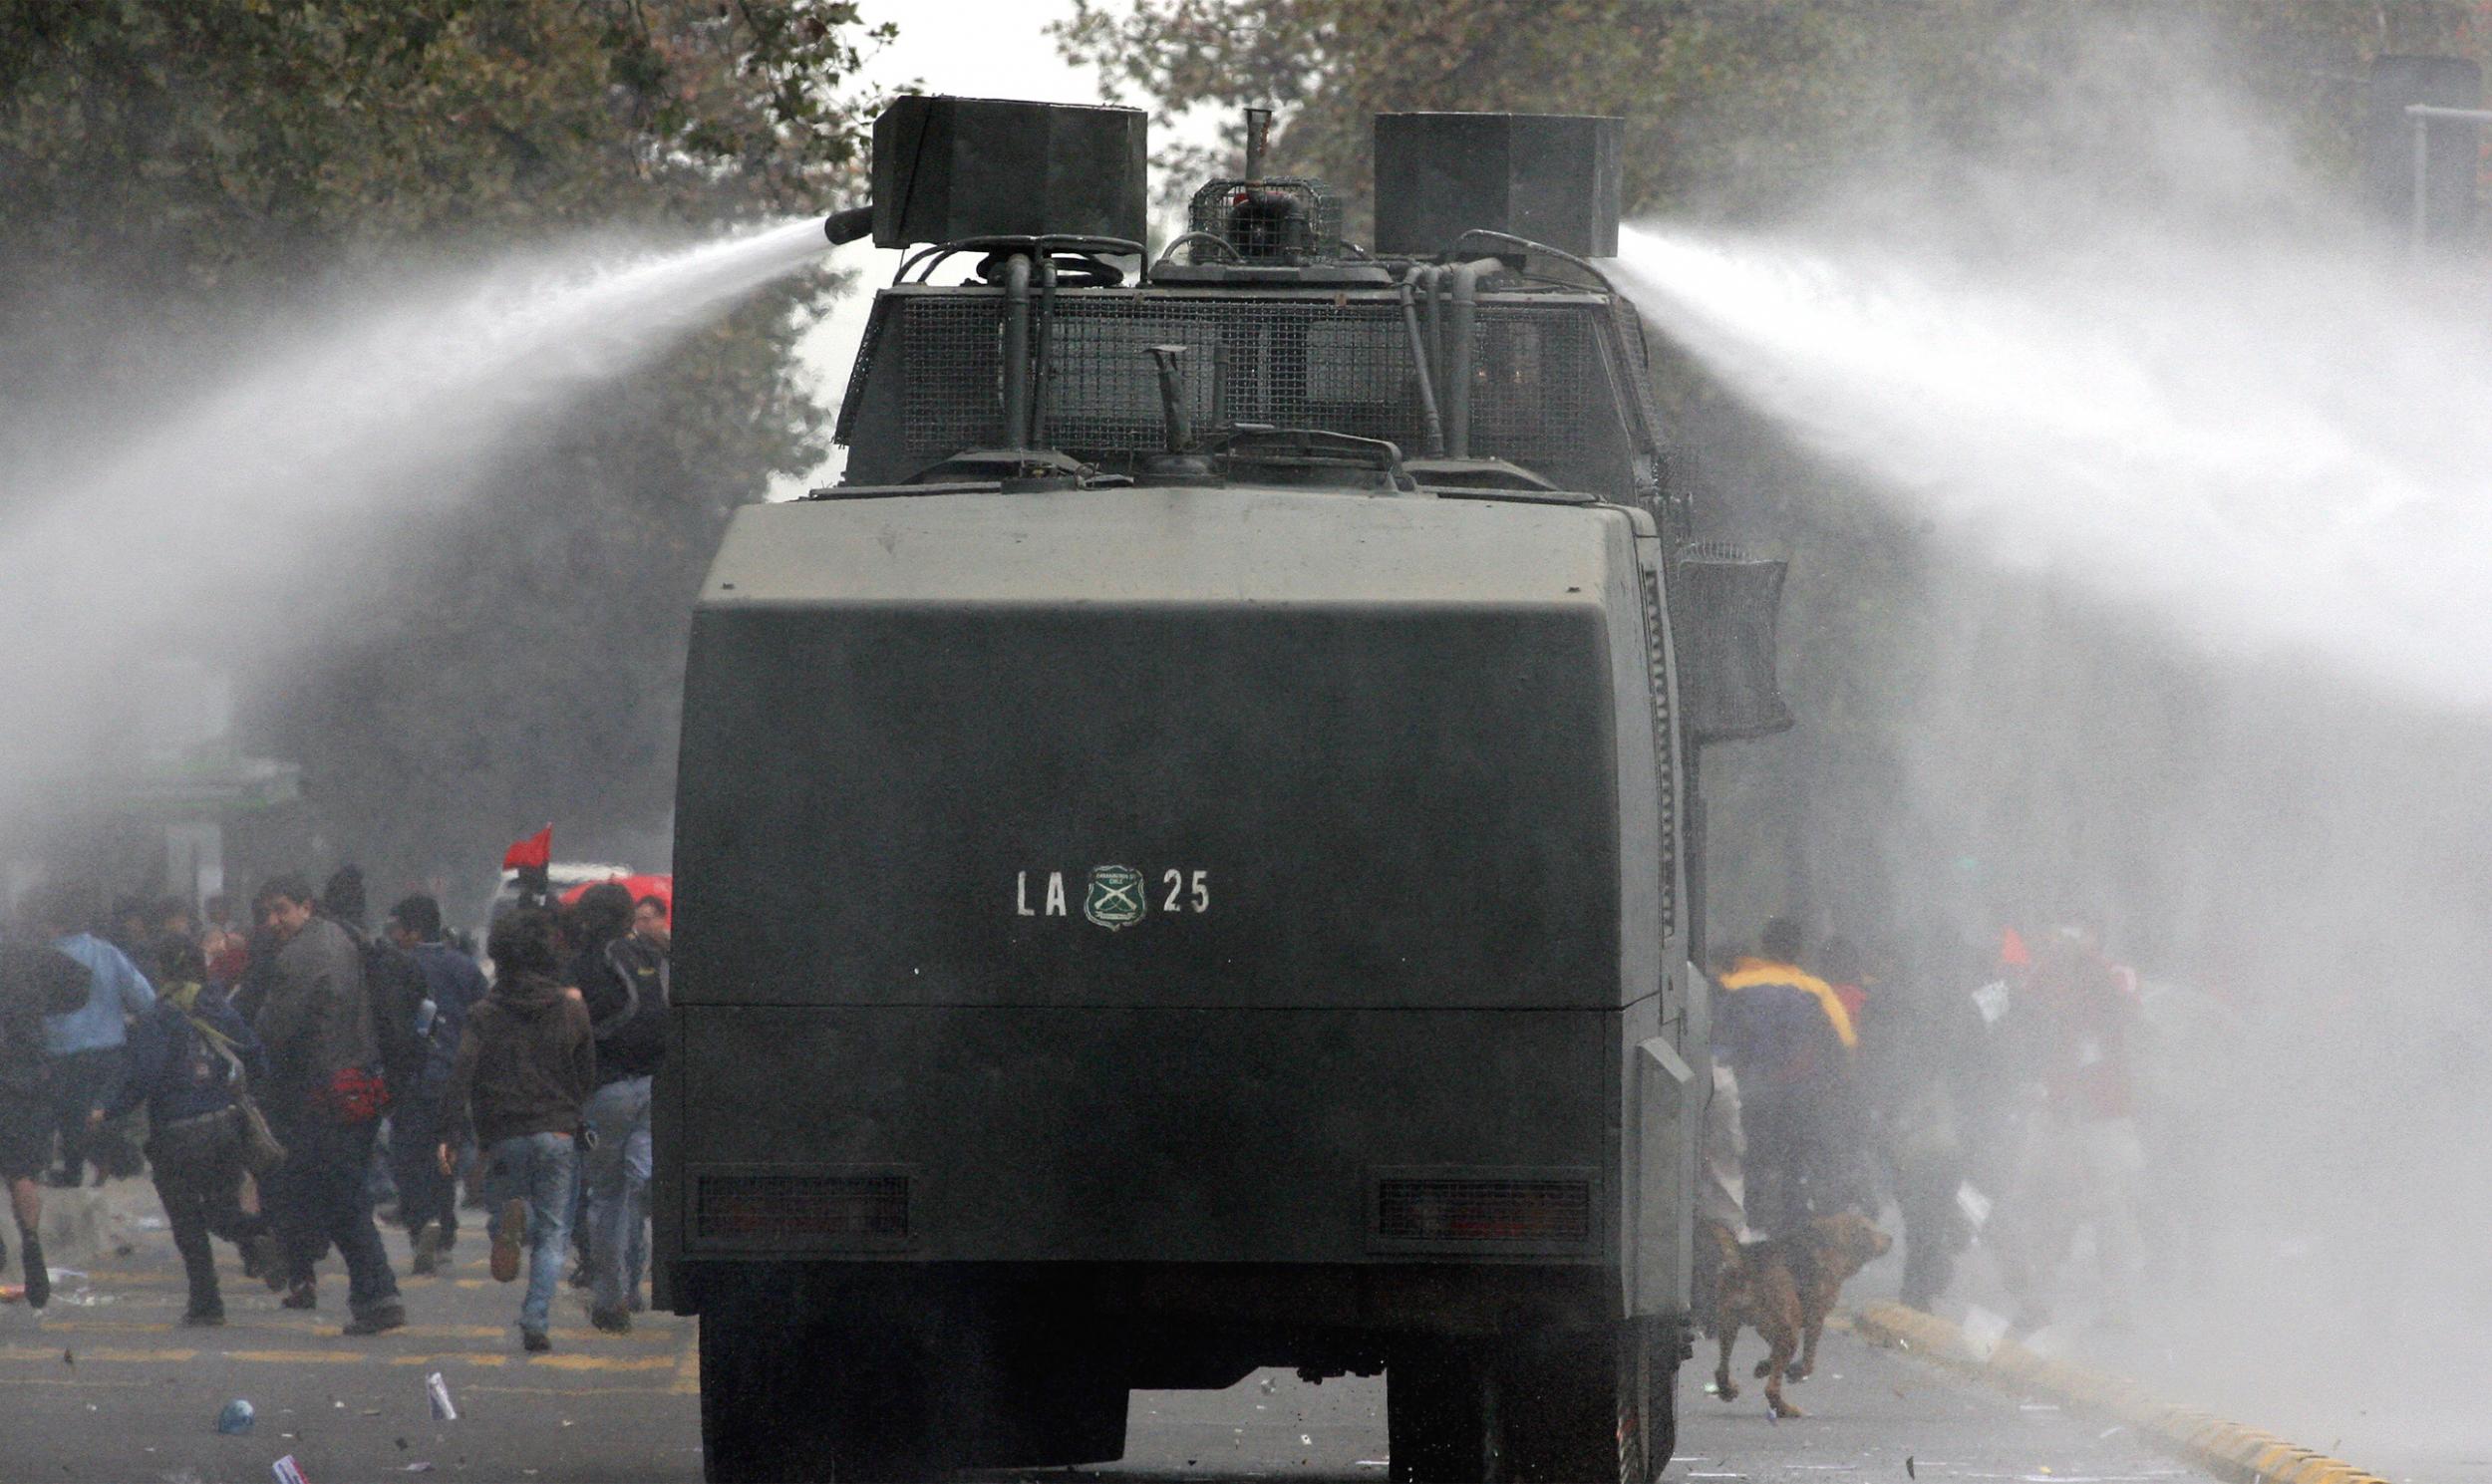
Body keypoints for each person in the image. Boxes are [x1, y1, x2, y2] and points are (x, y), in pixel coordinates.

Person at [98, 936, 282, 1325]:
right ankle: (270, 1232)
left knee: (187, 1222)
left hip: (176, 1135)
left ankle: (207, 1304)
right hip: (224, 1128)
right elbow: (254, 1054)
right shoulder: (219, 1008)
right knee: (222, 1211)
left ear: (163, 971)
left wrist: (108, 1110)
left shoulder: (159, 1016)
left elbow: (143, 1076)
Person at [252, 873, 406, 1335]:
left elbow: (272, 1029)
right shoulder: (345, 938)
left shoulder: (301, 955)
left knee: (340, 1198)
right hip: (362, 1084)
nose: (274, 921)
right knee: (340, 1192)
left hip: (326, 1094)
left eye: (282, 909)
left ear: (306, 906)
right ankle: (369, 1293)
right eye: (268, 913)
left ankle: (378, 1294)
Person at [441, 908, 595, 1351]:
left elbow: (461, 1076)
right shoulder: (571, 1009)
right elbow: (587, 1075)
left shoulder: (484, 1013)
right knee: (554, 1235)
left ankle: (513, 1221)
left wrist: (451, 1133)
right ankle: (536, 1318)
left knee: (500, 1213)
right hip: (559, 1133)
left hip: (505, 1134)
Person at [1714, 917, 1859, 1240]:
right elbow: (1845, 1044)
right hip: (1798, 1093)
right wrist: (1836, 1087)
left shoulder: (1737, 986)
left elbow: (1719, 1039)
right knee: (1793, 1162)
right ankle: (1792, 1234)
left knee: (1751, 1159)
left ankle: (1750, 1231)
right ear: (1800, 950)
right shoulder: (1818, 990)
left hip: (1748, 1091)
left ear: (1764, 947)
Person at [570, 883, 668, 1332]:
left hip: (607, 1089)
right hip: (652, 1085)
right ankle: (633, 1287)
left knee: (606, 1195)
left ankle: (610, 1301)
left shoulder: (589, 962)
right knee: (632, 1190)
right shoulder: (644, 954)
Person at [28, 881, 155, 1189]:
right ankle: (114, 1161)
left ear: (50, 923)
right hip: (109, 1052)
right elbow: (145, 999)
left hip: (60, 1053)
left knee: (70, 1115)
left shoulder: (40, 959)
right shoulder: (107, 953)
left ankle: (72, 1170)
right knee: (104, 1111)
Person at [386, 893, 486, 1275]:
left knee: (407, 1158)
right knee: (445, 1156)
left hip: (410, 1078)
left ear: (412, 930)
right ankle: (444, 1231)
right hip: (454, 1080)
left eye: (397, 928)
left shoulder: (397, 967)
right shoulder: (465, 968)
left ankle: (420, 1225)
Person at [0, 943, 91, 1309]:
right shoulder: (27, 956)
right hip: (25, 1086)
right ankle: (32, 1245)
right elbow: (81, 982)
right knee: (22, 1174)